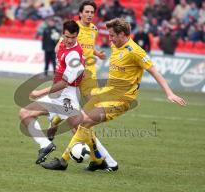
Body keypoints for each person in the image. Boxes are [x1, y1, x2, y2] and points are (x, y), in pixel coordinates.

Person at [43, 18, 186, 171]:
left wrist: (169, 93)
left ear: (123, 34)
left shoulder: (135, 52)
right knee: (77, 121)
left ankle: (63, 161)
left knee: (84, 121)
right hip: (107, 92)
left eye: (112, 35)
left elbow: (154, 71)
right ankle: (97, 160)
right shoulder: (115, 45)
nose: (109, 39)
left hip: (121, 99)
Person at [52, 0, 119, 171]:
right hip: (74, 77)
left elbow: (89, 48)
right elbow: (59, 47)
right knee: (79, 120)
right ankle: (101, 159)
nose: (89, 14)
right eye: (86, 11)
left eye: (92, 12)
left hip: (89, 76)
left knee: (90, 116)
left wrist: (97, 53)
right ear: (80, 13)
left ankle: (97, 157)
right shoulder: (74, 29)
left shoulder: (94, 29)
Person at [19, 20, 84, 164]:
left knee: (80, 131)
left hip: (68, 95)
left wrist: (39, 92)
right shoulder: (62, 43)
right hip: (56, 95)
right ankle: (45, 144)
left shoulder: (74, 55)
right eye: (66, 36)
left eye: (73, 37)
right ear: (63, 34)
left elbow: (64, 83)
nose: (69, 40)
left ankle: (102, 159)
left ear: (77, 36)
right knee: (24, 113)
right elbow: (57, 50)